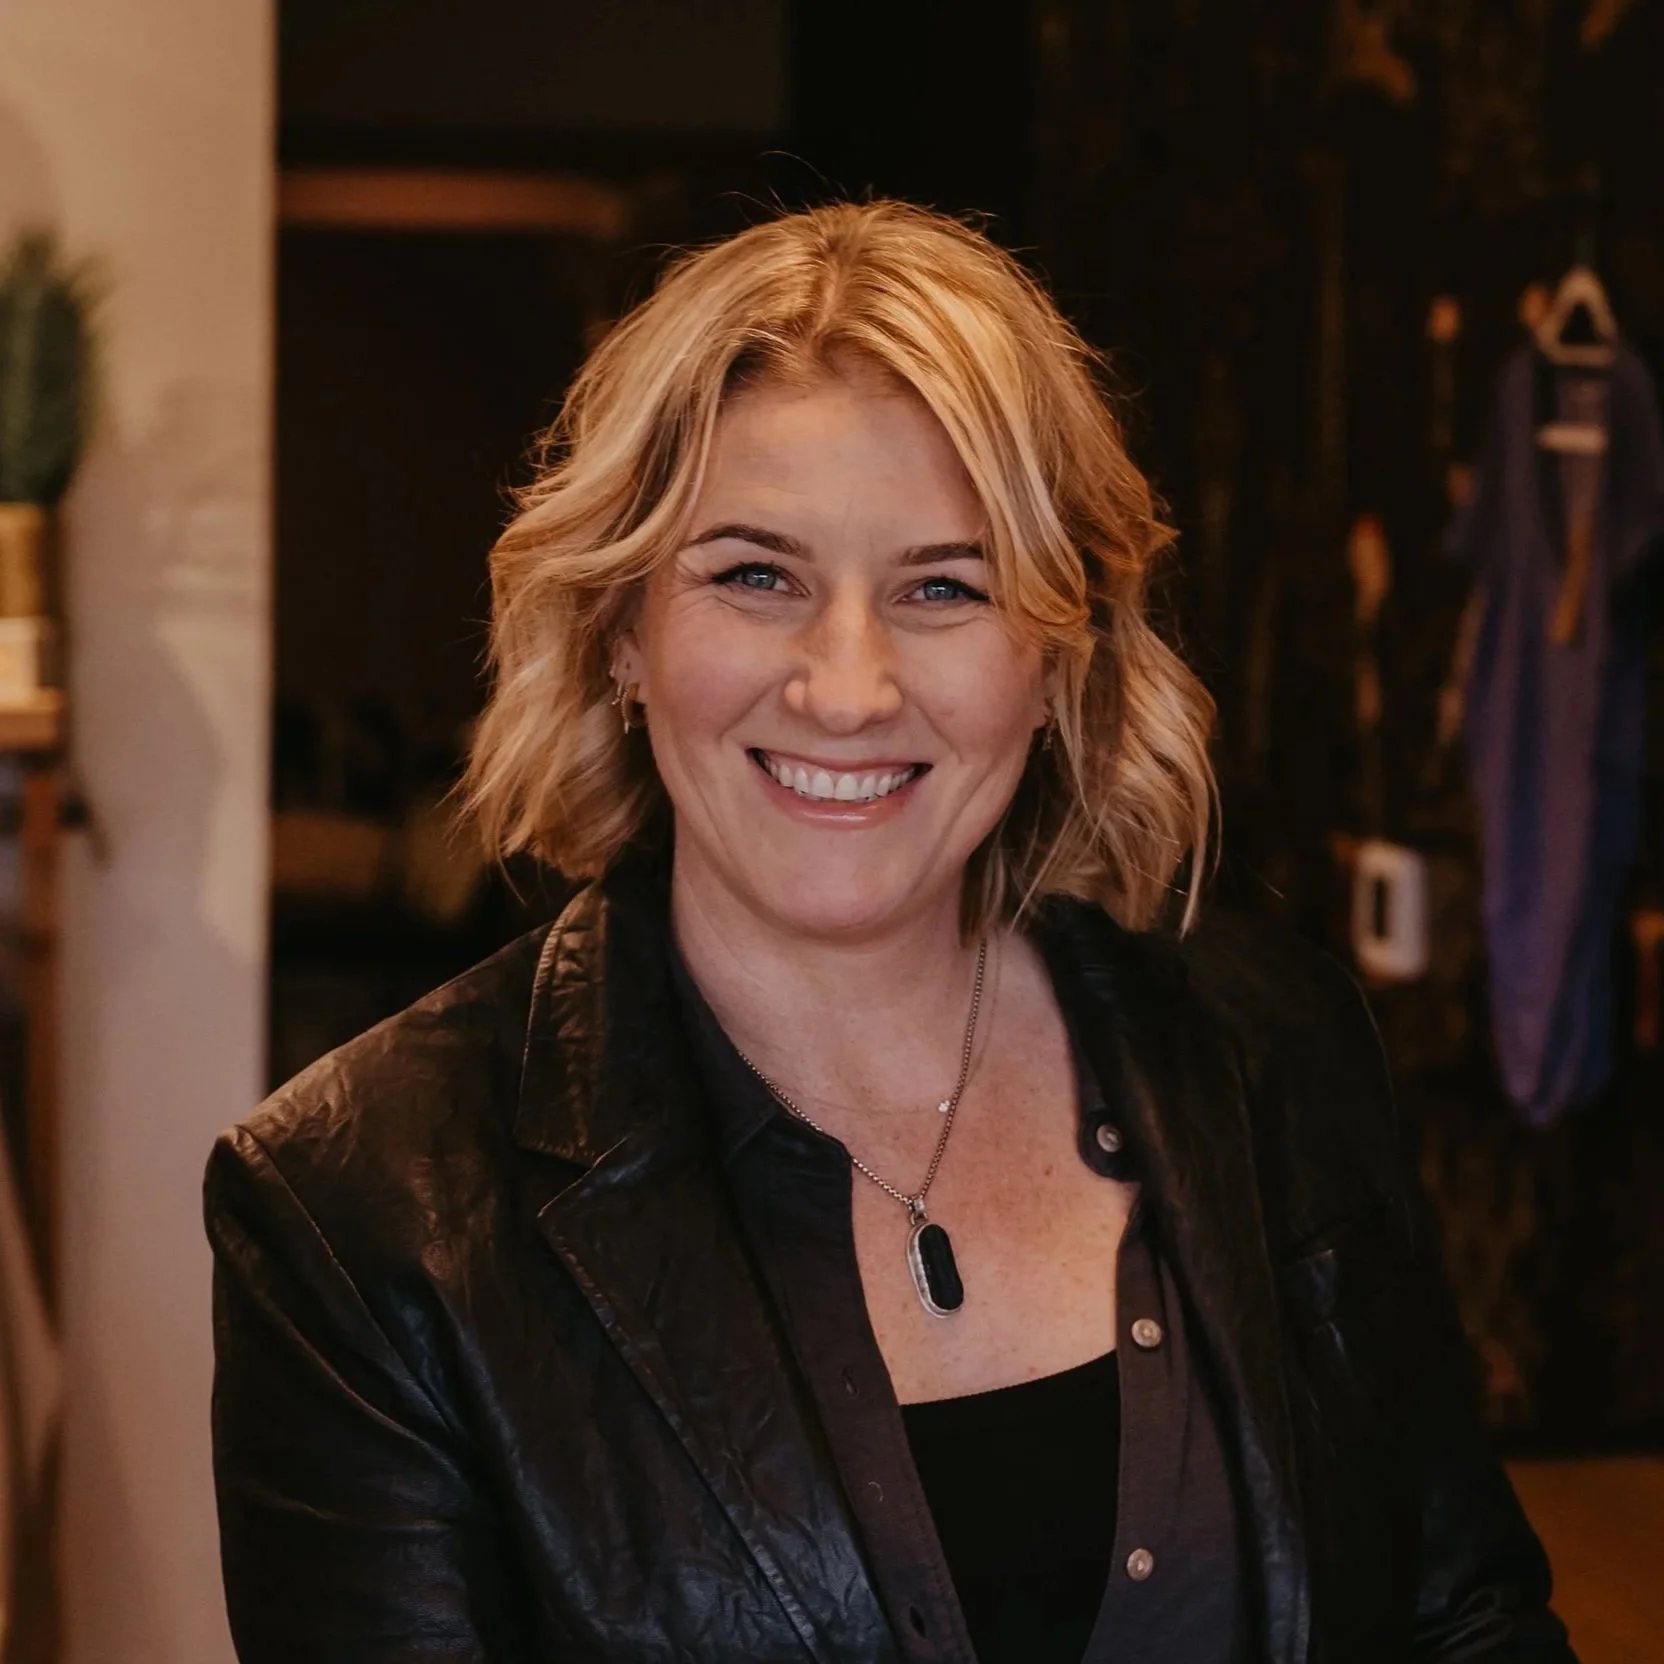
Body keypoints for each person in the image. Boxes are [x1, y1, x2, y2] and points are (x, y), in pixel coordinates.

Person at [205, 201, 1574, 1664]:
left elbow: (1466, 1615)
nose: (847, 690)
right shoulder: (358, 1211)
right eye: (755, 575)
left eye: (942, 587)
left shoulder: (1267, 1039)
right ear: (620, 632)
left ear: (1058, 654)